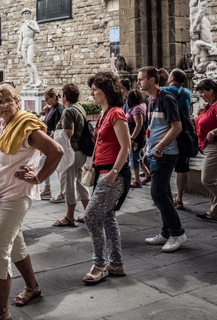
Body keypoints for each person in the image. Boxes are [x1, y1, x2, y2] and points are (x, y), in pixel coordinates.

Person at [0, 83, 63, 320]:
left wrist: (40, 177)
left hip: (17, 195)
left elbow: (57, 151)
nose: (3, 105)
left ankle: (0, 311)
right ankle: (33, 287)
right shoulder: (2, 124)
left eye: (8, 100)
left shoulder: (26, 126)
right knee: (15, 244)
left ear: (17, 101)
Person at [82, 72, 131, 284]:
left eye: (95, 89)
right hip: (102, 170)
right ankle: (116, 264)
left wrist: (113, 173)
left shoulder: (116, 114)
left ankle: (100, 264)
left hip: (113, 173)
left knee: (91, 216)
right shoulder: (105, 113)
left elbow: (126, 146)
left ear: (107, 91)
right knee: (107, 217)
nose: (92, 93)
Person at [138, 66, 186, 252]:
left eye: (141, 79)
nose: (138, 82)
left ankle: (177, 233)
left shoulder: (166, 98)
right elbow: (153, 127)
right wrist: (146, 148)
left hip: (165, 154)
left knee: (158, 194)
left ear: (151, 80)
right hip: (155, 153)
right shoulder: (151, 99)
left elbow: (177, 127)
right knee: (163, 193)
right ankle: (167, 232)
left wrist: (158, 147)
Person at [52, 84, 90, 227]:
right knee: (81, 182)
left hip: (72, 151)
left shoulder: (68, 111)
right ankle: (88, 213)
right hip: (81, 151)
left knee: (68, 184)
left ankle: (69, 216)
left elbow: (68, 132)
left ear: (65, 97)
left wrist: (55, 134)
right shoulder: (80, 108)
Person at [160, 68, 192, 209]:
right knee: (182, 167)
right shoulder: (187, 92)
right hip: (185, 133)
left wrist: (157, 76)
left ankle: (165, 195)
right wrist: (169, 76)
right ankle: (179, 198)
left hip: (171, 131)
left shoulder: (168, 91)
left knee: (165, 164)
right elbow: (177, 86)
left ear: (171, 80)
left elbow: (154, 89)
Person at [194, 80, 217, 223]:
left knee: (208, 180)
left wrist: (212, 133)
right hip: (210, 147)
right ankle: (215, 213)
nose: (201, 95)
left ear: (211, 91)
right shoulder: (210, 105)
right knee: (214, 180)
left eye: (203, 92)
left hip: (216, 147)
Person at [39, 87, 64, 202]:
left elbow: (58, 127)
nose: (46, 101)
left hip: (53, 141)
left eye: (47, 98)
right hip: (49, 140)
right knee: (45, 162)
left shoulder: (59, 109)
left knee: (54, 165)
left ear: (54, 97)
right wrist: (46, 112)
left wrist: (50, 138)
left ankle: (59, 191)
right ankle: (47, 188)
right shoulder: (52, 108)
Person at [125, 89, 147, 188]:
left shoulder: (137, 109)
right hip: (137, 137)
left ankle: (137, 180)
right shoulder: (141, 105)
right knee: (138, 156)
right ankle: (147, 174)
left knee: (134, 158)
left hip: (136, 138)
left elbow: (139, 125)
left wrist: (132, 138)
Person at [17, 8, 41, 87]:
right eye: (25, 14)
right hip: (24, 44)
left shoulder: (33, 22)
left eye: (28, 13)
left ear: (30, 14)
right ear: (23, 15)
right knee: (27, 63)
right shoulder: (22, 27)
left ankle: (38, 80)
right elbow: (20, 39)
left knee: (30, 61)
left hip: (30, 42)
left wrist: (31, 27)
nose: (26, 15)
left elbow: (38, 30)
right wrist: (18, 49)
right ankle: (32, 79)